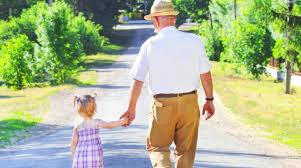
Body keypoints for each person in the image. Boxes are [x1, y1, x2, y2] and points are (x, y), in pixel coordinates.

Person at [120, 0, 215, 167]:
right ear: (173, 19)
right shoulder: (194, 41)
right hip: (189, 102)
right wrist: (209, 100)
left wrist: (131, 108)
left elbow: (138, 81)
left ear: (156, 20)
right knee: (186, 151)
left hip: (162, 105)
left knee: (157, 148)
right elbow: (205, 75)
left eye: (152, 21)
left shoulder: (150, 45)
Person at [71, 94, 128, 168]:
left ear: (79, 111)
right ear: (94, 109)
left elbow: (73, 144)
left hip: (80, 158)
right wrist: (122, 121)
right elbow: (109, 125)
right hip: (95, 156)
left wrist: (74, 159)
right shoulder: (96, 122)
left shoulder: (78, 126)